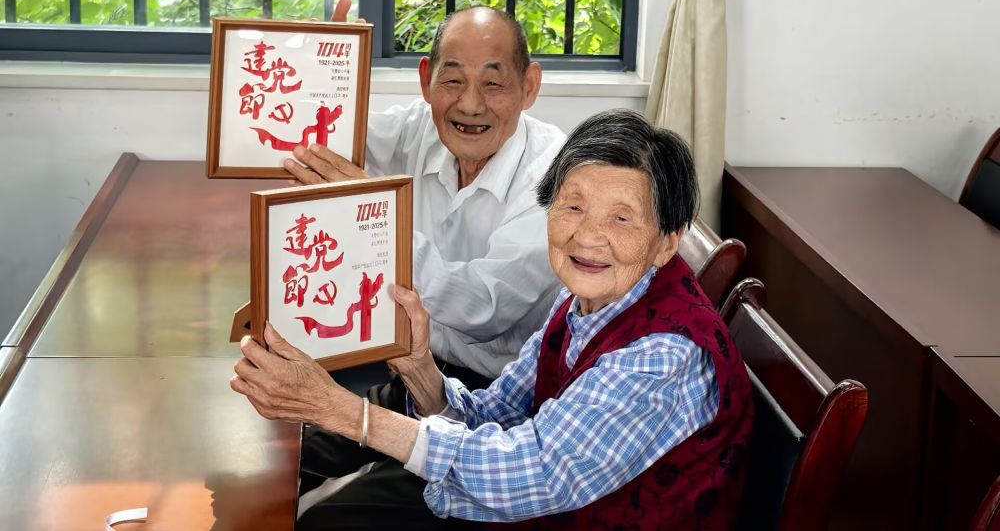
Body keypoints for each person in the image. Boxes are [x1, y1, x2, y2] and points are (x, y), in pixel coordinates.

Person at [231, 109, 753, 530]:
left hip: (557, 510)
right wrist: (418, 366)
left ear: (667, 241)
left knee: (328, 517)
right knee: (311, 495)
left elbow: (533, 473)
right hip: (542, 505)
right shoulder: (588, 298)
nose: (587, 237)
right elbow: (498, 412)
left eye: (621, 218)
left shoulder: (663, 356)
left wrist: (341, 410)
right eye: (572, 207)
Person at [286, 0, 566, 386]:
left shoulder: (555, 174)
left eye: (493, 83)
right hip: (399, 355)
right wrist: (319, 76)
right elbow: (320, 144)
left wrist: (373, 218)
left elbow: (484, 308)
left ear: (528, 86)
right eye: (452, 80)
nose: (470, 105)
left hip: (498, 390)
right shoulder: (418, 127)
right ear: (425, 80)